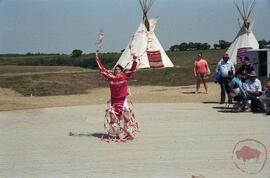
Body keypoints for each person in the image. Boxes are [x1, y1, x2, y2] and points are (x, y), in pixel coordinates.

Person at [96, 51, 139, 142]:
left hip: (123, 101)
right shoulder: (110, 77)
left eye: (119, 69)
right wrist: (97, 59)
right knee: (113, 121)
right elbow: (102, 70)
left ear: (121, 70)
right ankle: (115, 135)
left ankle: (128, 134)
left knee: (127, 118)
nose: (117, 70)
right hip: (113, 102)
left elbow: (133, 69)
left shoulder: (125, 76)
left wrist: (135, 60)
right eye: (115, 69)